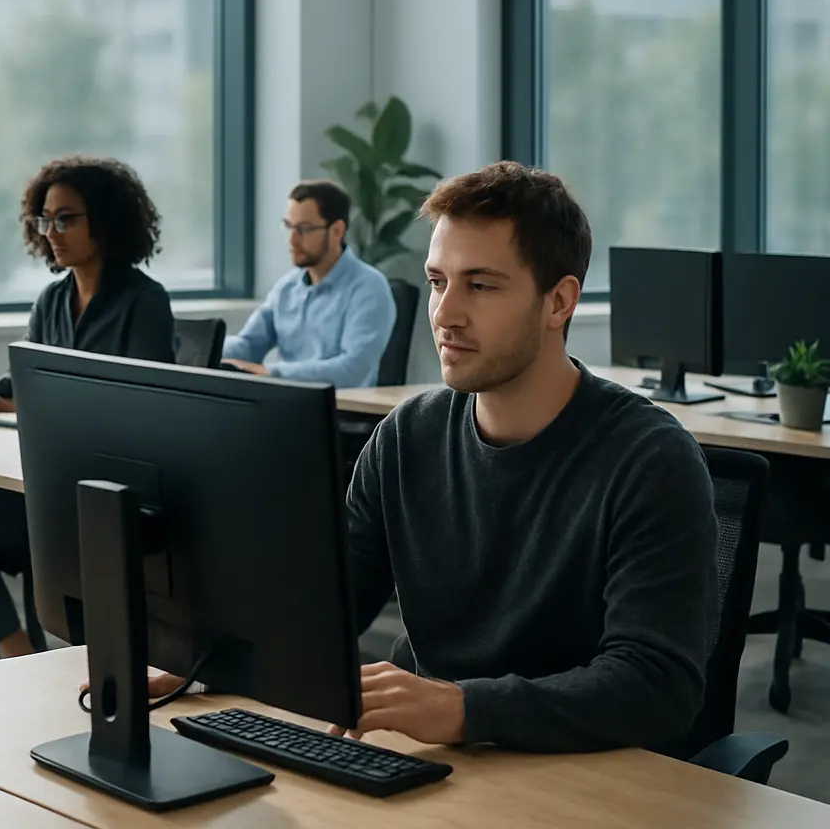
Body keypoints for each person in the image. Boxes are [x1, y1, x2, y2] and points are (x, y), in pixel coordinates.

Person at [153, 162, 717, 754]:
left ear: (559, 303)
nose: (445, 315)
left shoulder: (649, 459)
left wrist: (466, 708)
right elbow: (327, 603)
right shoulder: (407, 437)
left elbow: (656, 687)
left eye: (480, 284)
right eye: (437, 282)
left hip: (581, 774)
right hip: (440, 759)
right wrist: (213, 655)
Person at [0, 156, 178, 666]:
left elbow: (137, 404)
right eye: (44, 219)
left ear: (106, 221)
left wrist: (10, 401)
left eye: (67, 218)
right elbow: (26, 379)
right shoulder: (52, 300)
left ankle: (20, 662)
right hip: (41, 471)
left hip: (98, 482)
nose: (52, 232)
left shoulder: (144, 302)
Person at [222, 179, 397, 387]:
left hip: (340, 411)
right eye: (288, 227)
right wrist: (207, 351)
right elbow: (249, 344)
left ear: (337, 231)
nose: (292, 240)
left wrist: (272, 372)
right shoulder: (286, 288)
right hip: (288, 404)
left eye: (304, 229)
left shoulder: (369, 288)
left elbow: (352, 370)